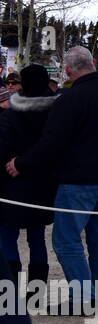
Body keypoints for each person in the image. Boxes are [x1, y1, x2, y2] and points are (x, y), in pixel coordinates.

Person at [6, 46, 98, 313]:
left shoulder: (71, 99)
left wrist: (21, 163)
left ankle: (83, 298)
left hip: (79, 180)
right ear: (93, 62)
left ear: (68, 71)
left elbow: (52, 142)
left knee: (67, 241)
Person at [0, 65, 60, 293]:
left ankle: (9, 291)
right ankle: (36, 292)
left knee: (7, 235)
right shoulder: (56, 113)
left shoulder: (11, 115)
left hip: (11, 182)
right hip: (44, 182)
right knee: (37, 237)